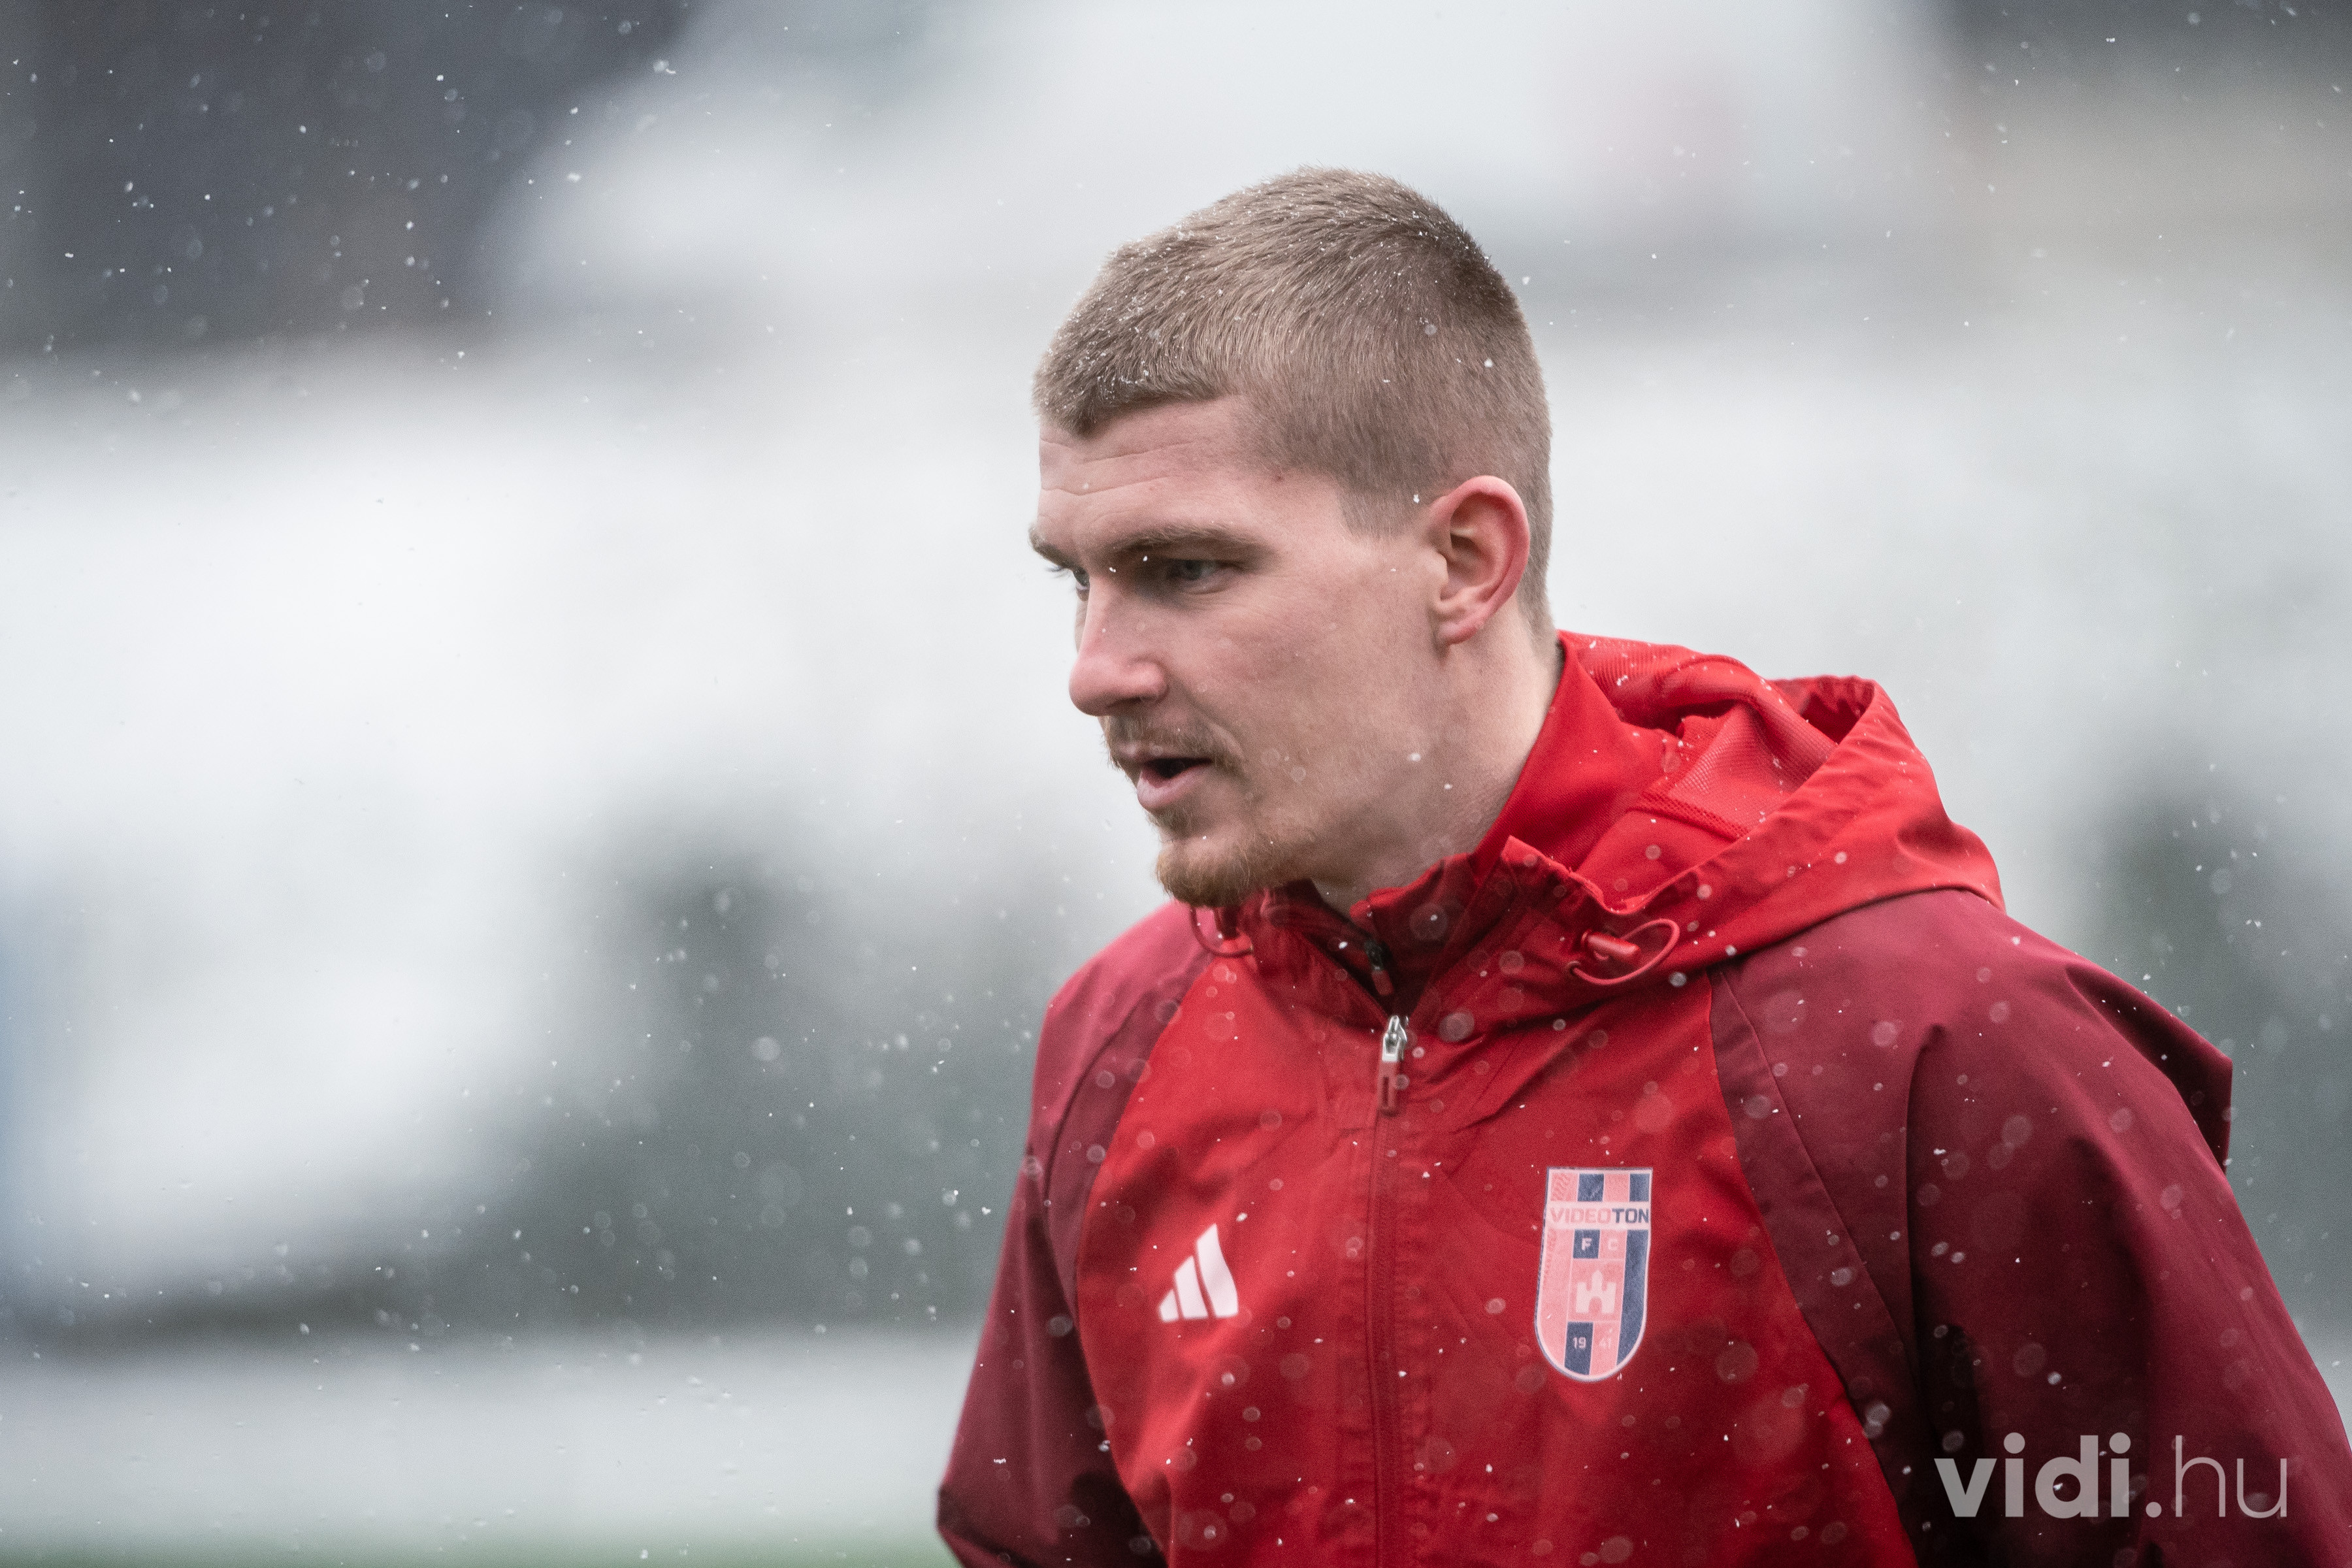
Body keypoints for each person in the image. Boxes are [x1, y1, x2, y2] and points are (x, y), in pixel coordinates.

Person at [936, 169, 2351, 1567]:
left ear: (1465, 560)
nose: (1095, 669)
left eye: (1185, 570)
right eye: (1079, 578)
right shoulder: (1121, 1046)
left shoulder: (1936, 1042)